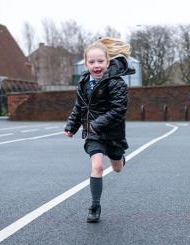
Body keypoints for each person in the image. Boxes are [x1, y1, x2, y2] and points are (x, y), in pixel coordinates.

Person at [65, 37, 135, 223]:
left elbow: (119, 109)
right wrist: (71, 126)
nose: (96, 65)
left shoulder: (117, 83)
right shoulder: (84, 83)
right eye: (92, 62)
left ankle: (119, 157)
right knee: (96, 166)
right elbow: (80, 106)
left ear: (108, 62)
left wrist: (99, 122)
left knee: (117, 168)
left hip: (112, 133)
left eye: (100, 61)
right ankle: (95, 206)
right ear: (86, 64)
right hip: (93, 132)